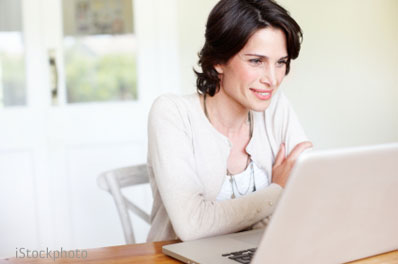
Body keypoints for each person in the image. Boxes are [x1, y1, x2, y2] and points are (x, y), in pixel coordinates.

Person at [146, 0, 312, 242]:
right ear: (218, 60)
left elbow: (306, 196)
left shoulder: (277, 107)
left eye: (281, 63)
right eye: (256, 61)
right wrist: (277, 192)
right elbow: (192, 225)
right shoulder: (171, 113)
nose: (273, 79)